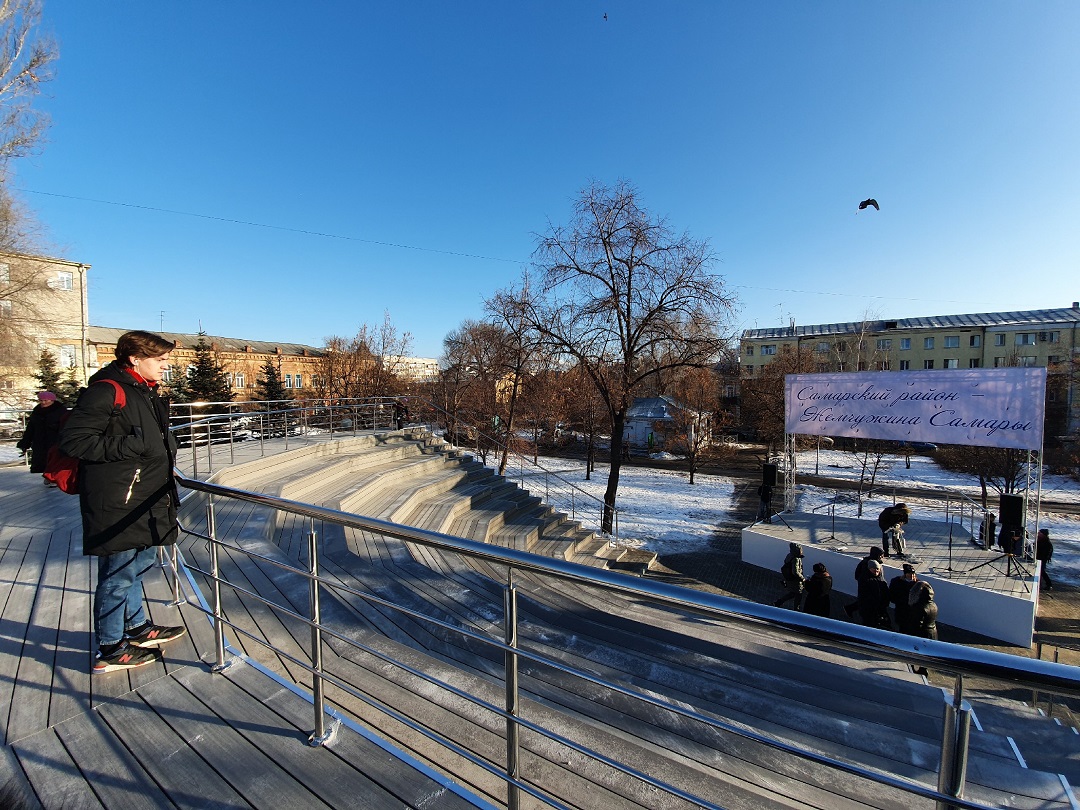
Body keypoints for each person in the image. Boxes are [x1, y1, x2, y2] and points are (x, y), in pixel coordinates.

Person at [59, 330, 187, 674]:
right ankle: (111, 646)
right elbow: (75, 441)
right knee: (117, 575)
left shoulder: (141, 391)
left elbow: (149, 437)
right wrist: (134, 448)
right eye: (159, 360)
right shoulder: (106, 390)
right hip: (118, 499)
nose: (165, 366)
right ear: (135, 359)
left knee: (136, 567)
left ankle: (136, 628)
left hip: (145, 495)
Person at [16, 391, 69, 485]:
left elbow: (66, 426)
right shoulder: (37, 412)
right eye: (41, 400)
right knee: (43, 460)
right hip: (40, 441)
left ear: (52, 400)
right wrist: (25, 443)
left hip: (55, 440)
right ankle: (48, 477)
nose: (43, 402)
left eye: (46, 400)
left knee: (54, 459)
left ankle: (53, 478)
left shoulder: (60, 411)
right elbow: (30, 429)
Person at [844, 546, 885, 619]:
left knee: (864, 601)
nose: (882, 556)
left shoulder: (868, 562)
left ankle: (849, 608)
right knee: (865, 602)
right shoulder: (866, 564)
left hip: (870, 587)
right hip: (868, 587)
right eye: (881, 555)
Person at [857, 559, 891, 629]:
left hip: (880, 609)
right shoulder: (865, 580)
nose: (876, 571)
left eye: (877, 569)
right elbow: (864, 596)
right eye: (874, 569)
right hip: (869, 610)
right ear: (869, 569)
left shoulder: (881, 580)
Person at [774, 542, 805, 610]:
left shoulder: (789, 555)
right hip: (796, 581)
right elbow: (795, 572)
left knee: (793, 593)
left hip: (790, 579)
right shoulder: (796, 559)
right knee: (798, 594)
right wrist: (802, 578)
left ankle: (779, 602)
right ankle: (796, 609)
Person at [889, 563, 918, 630]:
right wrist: (901, 601)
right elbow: (892, 596)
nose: (912, 576)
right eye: (910, 574)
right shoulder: (896, 582)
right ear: (905, 574)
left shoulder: (918, 584)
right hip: (901, 611)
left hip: (913, 613)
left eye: (913, 574)